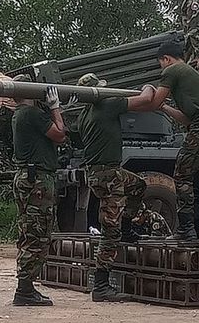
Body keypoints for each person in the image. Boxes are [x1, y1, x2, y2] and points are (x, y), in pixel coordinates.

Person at [74, 72, 159, 302]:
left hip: (100, 172)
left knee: (138, 185)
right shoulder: (106, 106)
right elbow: (145, 99)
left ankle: (128, 228)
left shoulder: (83, 115)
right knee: (110, 229)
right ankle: (101, 285)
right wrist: (149, 85)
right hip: (108, 174)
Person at [138, 39, 199, 241]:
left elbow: (152, 103)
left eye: (160, 63)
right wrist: (165, 108)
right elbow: (187, 119)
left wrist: (146, 91)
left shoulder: (172, 71)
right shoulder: (191, 73)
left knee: (182, 176)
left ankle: (186, 229)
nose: (161, 67)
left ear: (166, 59)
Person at [11, 79, 66, 306]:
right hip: (38, 180)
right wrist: (55, 108)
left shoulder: (19, 114)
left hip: (27, 177)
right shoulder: (31, 113)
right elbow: (60, 134)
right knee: (38, 233)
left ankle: (25, 286)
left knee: (28, 231)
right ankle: (24, 290)